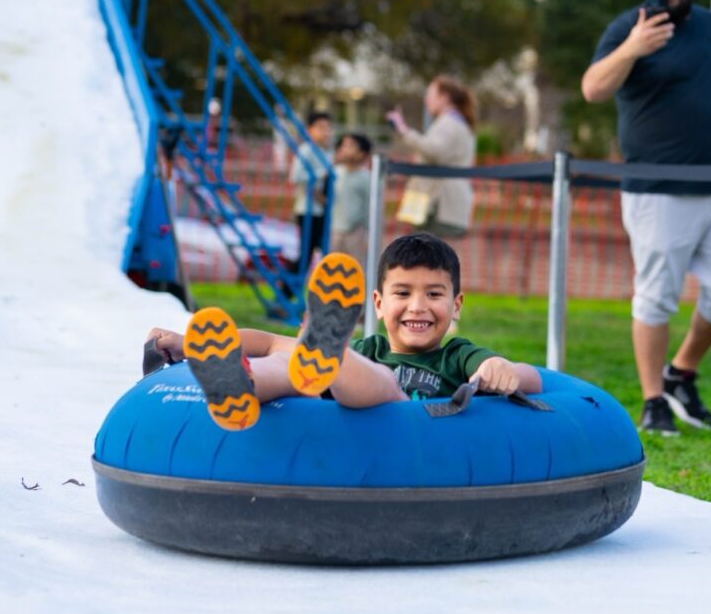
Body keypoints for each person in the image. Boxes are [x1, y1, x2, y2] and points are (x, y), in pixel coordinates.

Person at [580, 0, 711, 436]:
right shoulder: (627, 26)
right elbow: (593, 88)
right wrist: (634, 48)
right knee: (657, 298)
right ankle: (653, 399)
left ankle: (681, 373)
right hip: (657, 189)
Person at [145, 233, 542, 431]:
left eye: (434, 294)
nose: (418, 306)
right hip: (342, 382)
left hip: (404, 426)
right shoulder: (369, 346)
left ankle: (327, 355)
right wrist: (187, 346)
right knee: (292, 363)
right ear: (379, 302)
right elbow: (268, 341)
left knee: (382, 381)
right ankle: (241, 383)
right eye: (402, 293)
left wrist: (501, 367)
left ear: (456, 305)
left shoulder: (457, 355)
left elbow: (531, 376)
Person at [386, 76, 476, 238]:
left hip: (440, 205)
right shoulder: (453, 122)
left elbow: (434, 151)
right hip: (438, 203)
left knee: (430, 257)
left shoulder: (449, 123)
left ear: (445, 97)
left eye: (431, 95)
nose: (427, 100)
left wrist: (403, 129)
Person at [290, 110, 334, 261]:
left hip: (323, 210)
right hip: (308, 209)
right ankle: (289, 284)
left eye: (328, 128)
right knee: (306, 253)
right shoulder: (306, 150)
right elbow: (296, 177)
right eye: (321, 128)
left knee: (325, 250)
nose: (326, 132)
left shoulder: (328, 152)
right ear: (309, 130)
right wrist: (321, 173)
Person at [329, 132, 372, 266]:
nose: (344, 149)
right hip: (335, 231)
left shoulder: (366, 177)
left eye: (350, 146)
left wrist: (368, 236)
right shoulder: (335, 173)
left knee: (355, 268)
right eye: (343, 145)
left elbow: (370, 207)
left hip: (356, 232)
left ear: (362, 153)